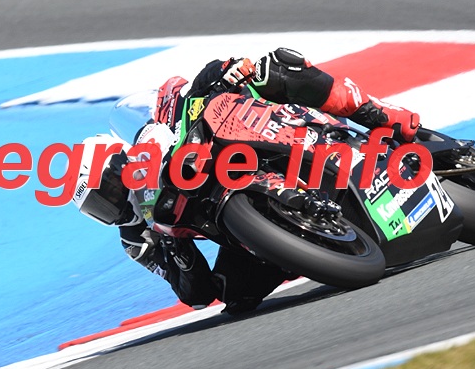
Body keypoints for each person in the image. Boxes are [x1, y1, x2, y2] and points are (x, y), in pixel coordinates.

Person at [72, 48, 420, 314]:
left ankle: (380, 114)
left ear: (123, 160)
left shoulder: (158, 119)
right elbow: (195, 295)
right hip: (225, 215)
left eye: (109, 189)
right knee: (235, 295)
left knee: (274, 68)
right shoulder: (137, 240)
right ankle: (301, 244)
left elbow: (193, 84)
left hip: (245, 136)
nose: (114, 204)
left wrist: (225, 71)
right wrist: (175, 248)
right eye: (100, 208)